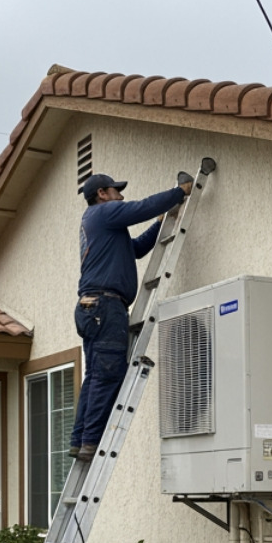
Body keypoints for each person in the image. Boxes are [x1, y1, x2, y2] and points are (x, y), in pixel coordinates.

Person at [68, 170, 194, 462]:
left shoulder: (103, 227)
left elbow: (135, 249)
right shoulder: (102, 214)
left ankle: (80, 440)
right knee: (109, 374)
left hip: (94, 308)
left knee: (96, 375)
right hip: (105, 307)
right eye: (116, 191)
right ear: (102, 194)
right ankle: (90, 442)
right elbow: (141, 206)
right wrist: (179, 192)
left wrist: (159, 223)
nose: (120, 196)